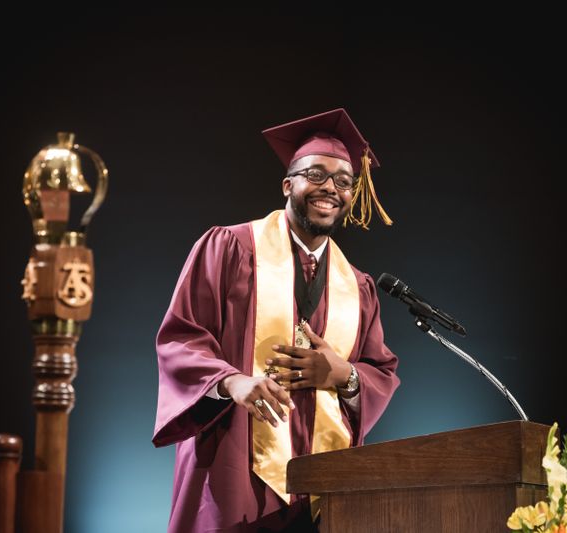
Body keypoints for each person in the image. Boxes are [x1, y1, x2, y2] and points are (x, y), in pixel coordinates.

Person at [153, 108, 401, 533]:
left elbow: (379, 370)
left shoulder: (357, 287)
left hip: (325, 490)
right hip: (233, 464)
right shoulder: (229, 248)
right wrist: (232, 382)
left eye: (343, 181)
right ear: (288, 184)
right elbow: (181, 338)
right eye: (316, 175)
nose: (330, 189)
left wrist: (345, 375)